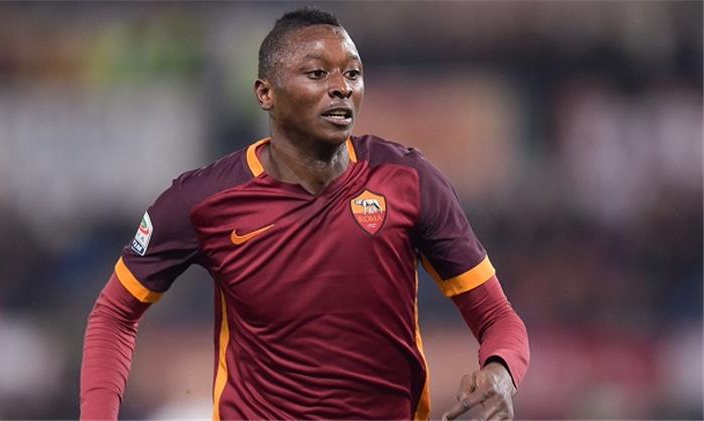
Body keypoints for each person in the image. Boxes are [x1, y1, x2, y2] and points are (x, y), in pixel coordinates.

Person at [80, 7, 529, 420]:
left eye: (352, 73)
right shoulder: (202, 201)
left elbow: (498, 319)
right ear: (265, 93)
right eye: (317, 73)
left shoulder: (408, 181)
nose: (341, 87)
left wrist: (501, 371)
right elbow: (115, 314)